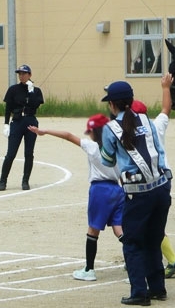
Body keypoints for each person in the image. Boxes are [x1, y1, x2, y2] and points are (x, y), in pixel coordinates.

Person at [28, 114, 125, 281]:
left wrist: (45, 131)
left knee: (93, 230)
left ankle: (89, 269)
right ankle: (135, 263)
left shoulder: (92, 147)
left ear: (94, 132)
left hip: (100, 190)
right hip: (118, 189)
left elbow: (67, 135)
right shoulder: (116, 148)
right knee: (120, 229)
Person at [100, 81, 171, 306]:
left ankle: (139, 292)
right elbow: (159, 152)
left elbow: (107, 160)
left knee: (132, 242)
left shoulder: (110, 129)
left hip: (137, 193)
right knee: (154, 238)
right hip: (161, 187)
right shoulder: (147, 121)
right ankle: (158, 288)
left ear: (112, 105)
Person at [131, 74, 175, 279]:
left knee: (147, 222)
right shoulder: (155, 125)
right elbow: (166, 108)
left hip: (149, 181)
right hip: (165, 178)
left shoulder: (132, 132)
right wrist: (165, 88)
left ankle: (171, 260)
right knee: (153, 222)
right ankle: (164, 259)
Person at [0, 64, 44, 191]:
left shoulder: (36, 91)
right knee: (10, 154)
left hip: (30, 121)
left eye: (24, 74)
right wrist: (6, 123)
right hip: (17, 121)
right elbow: (8, 109)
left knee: (29, 153)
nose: (21, 76)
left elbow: (35, 105)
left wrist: (31, 92)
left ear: (29, 75)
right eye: (20, 74)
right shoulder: (13, 89)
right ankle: (3, 181)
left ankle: (25, 181)